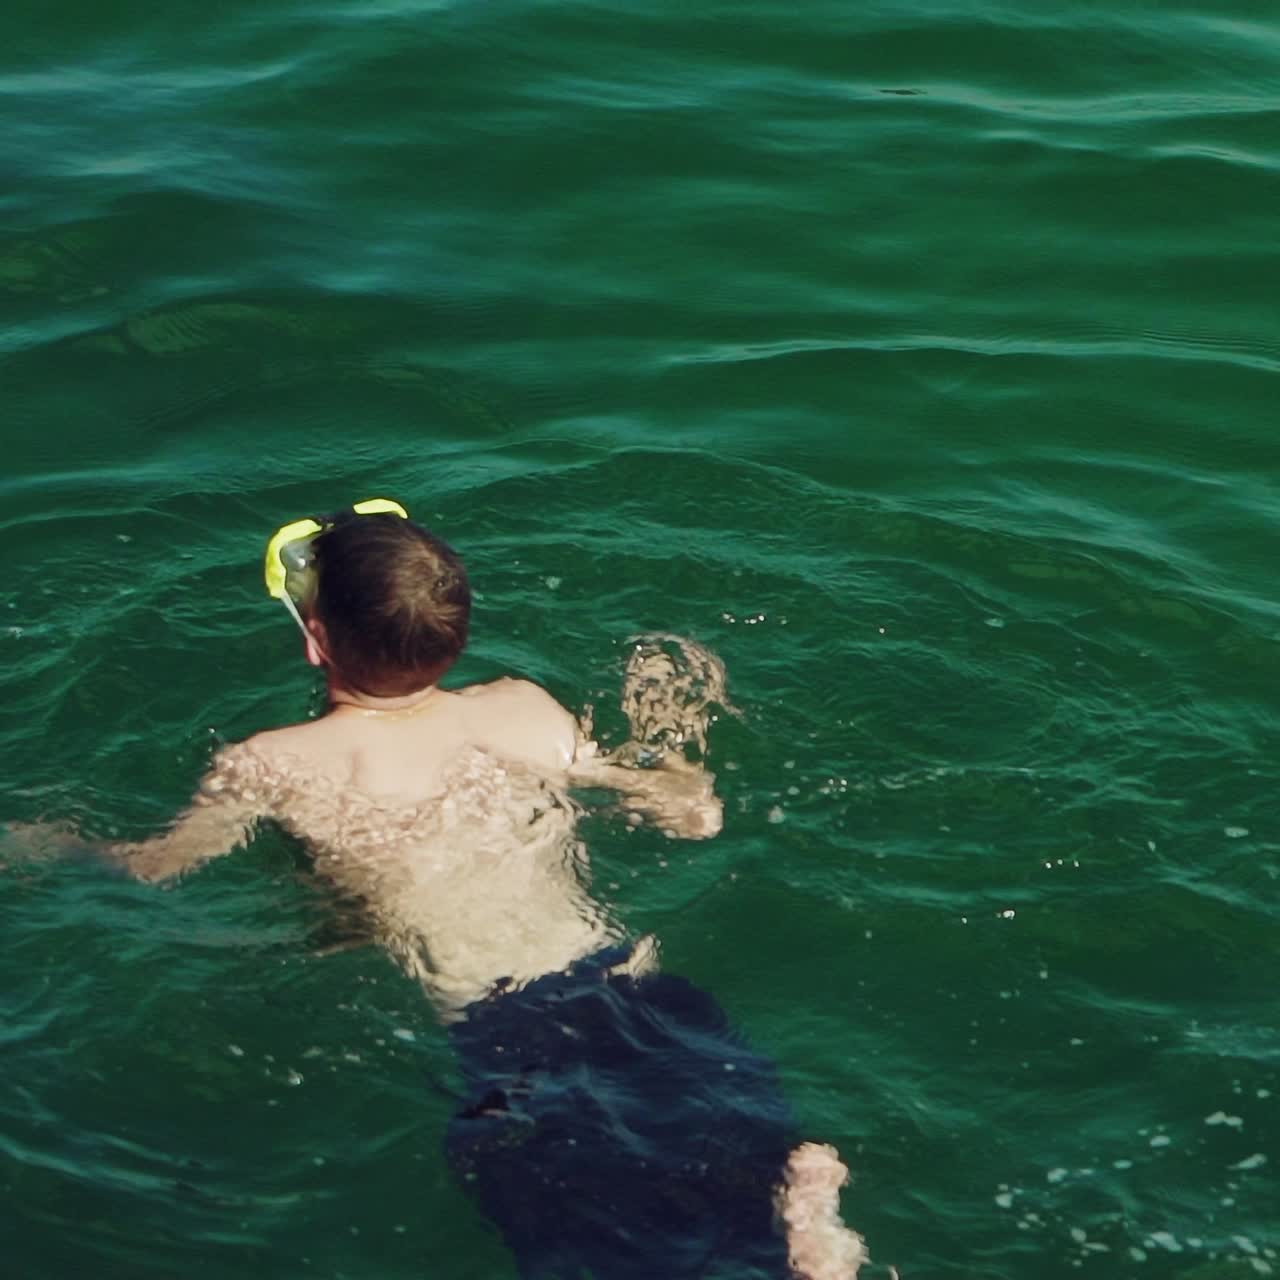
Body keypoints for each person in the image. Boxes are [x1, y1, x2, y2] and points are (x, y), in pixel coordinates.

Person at [109, 498, 871, 1280]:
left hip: (506, 1029)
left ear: (316, 640)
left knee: (577, 1225)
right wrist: (676, 757)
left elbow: (160, 865)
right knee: (714, 1136)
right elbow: (690, 816)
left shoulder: (270, 763)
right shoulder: (520, 708)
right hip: (630, 984)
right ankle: (797, 1202)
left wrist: (60, 842)